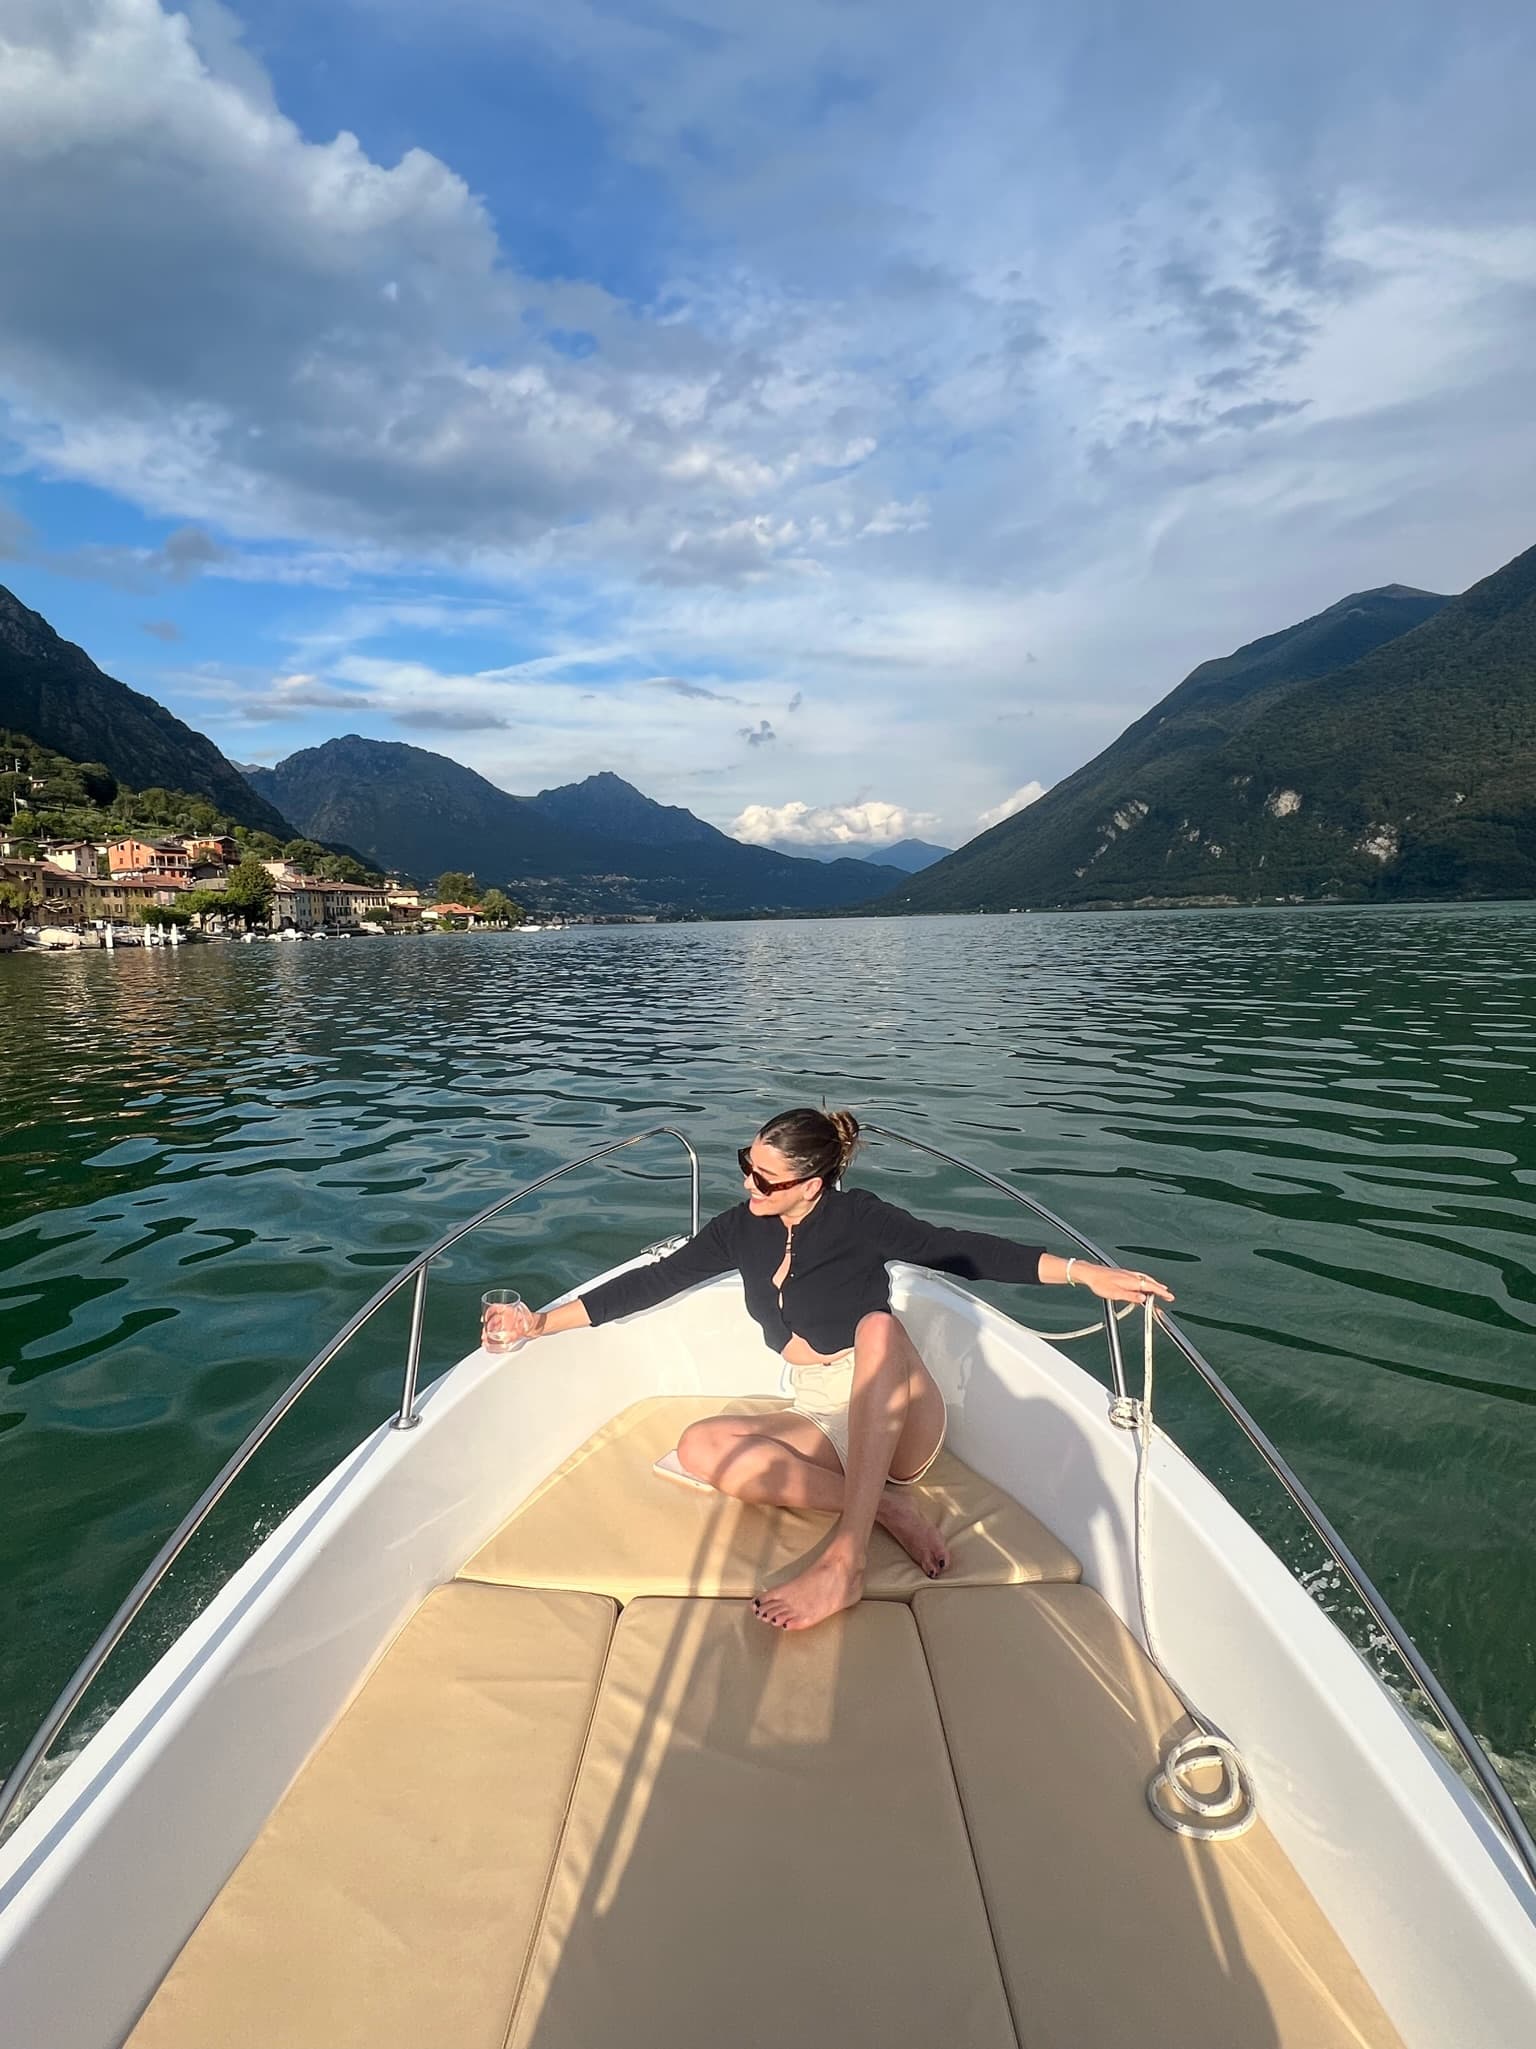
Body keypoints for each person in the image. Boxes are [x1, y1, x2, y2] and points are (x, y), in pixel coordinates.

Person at [505, 1107, 1174, 1632]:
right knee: (699, 1446)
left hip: (894, 1403)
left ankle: (846, 1556)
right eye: (746, 1165)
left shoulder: (859, 1218)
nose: (747, 1184)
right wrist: (540, 1321)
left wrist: (1082, 1272)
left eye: (764, 1177)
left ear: (811, 1182)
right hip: (820, 1406)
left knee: (879, 1325)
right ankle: (884, 1506)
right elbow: (654, 1281)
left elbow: (959, 1249)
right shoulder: (743, 1227)